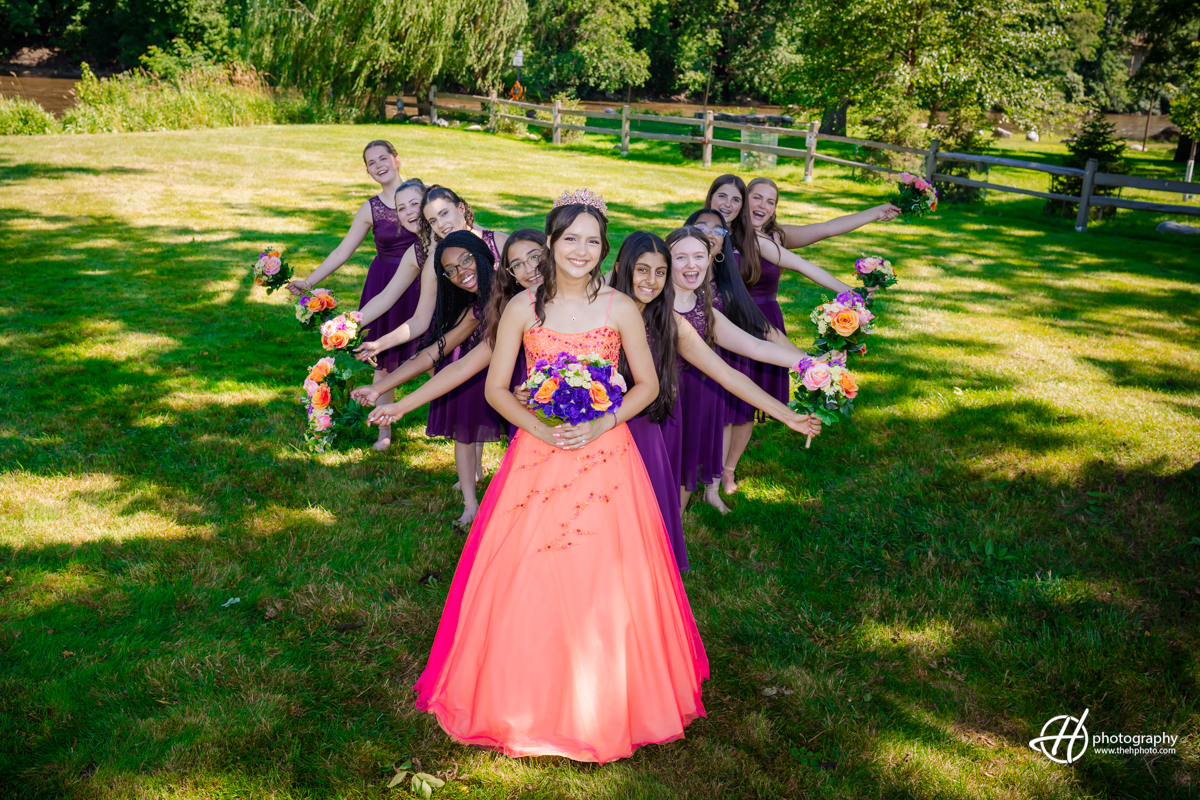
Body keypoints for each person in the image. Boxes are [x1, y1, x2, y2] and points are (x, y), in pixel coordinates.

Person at [413, 189, 708, 764]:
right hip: (538, 451)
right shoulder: (525, 308)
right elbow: (497, 389)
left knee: (607, 570)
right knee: (529, 567)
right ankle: (523, 696)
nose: (581, 249)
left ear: (604, 249)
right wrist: (541, 430)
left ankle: (608, 694)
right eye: (570, 237)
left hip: (607, 453)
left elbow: (645, 385)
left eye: (592, 240)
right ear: (550, 243)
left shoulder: (620, 306)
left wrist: (603, 422)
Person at [608, 231, 821, 568]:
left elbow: (729, 374)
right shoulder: (599, 312)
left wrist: (788, 414)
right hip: (603, 426)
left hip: (652, 424)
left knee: (648, 510)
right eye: (642, 270)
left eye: (660, 272)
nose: (651, 281)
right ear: (621, 267)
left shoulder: (671, 323)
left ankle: (641, 570)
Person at [357, 186, 507, 479]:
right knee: (468, 411)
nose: (441, 225)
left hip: (512, 336)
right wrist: (379, 344)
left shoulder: (500, 243)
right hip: (470, 338)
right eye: (433, 221)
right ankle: (472, 482)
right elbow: (420, 321)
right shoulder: (437, 260)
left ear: (461, 208)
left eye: (444, 214)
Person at [663, 226, 810, 513]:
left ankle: (669, 545)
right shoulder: (656, 305)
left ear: (710, 258)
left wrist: (812, 362)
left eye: (699, 256)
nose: (692, 265)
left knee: (682, 478)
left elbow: (756, 347)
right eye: (681, 257)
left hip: (690, 406)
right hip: (656, 409)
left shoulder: (705, 309)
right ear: (666, 261)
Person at [285, 142, 420, 450]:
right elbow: (343, 250)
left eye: (383, 158)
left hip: (423, 282)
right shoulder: (370, 208)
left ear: (397, 160)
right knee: (383, 363)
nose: (379, 166)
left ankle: (450, 425)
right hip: (384, 283)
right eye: (371, 163)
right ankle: (383, 432)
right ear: (368, 171)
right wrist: (309, 281)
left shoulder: (418, 196)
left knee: (438, 353)